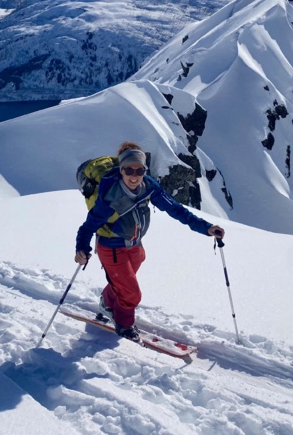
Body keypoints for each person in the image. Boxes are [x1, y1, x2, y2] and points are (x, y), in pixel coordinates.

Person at [75, 141, 225, 341]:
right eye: (129, 170)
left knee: (123, 284)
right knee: (131, 294)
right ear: (121, 170)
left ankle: (108, 302)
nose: (134, 176)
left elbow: (176, 209)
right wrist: (82, 248)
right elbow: (88, 226)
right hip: (111, 247)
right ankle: (124, 325)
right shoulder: (110, 196)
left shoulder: (148, 186)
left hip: (135, 245)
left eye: (140, 170)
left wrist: (205, 227)